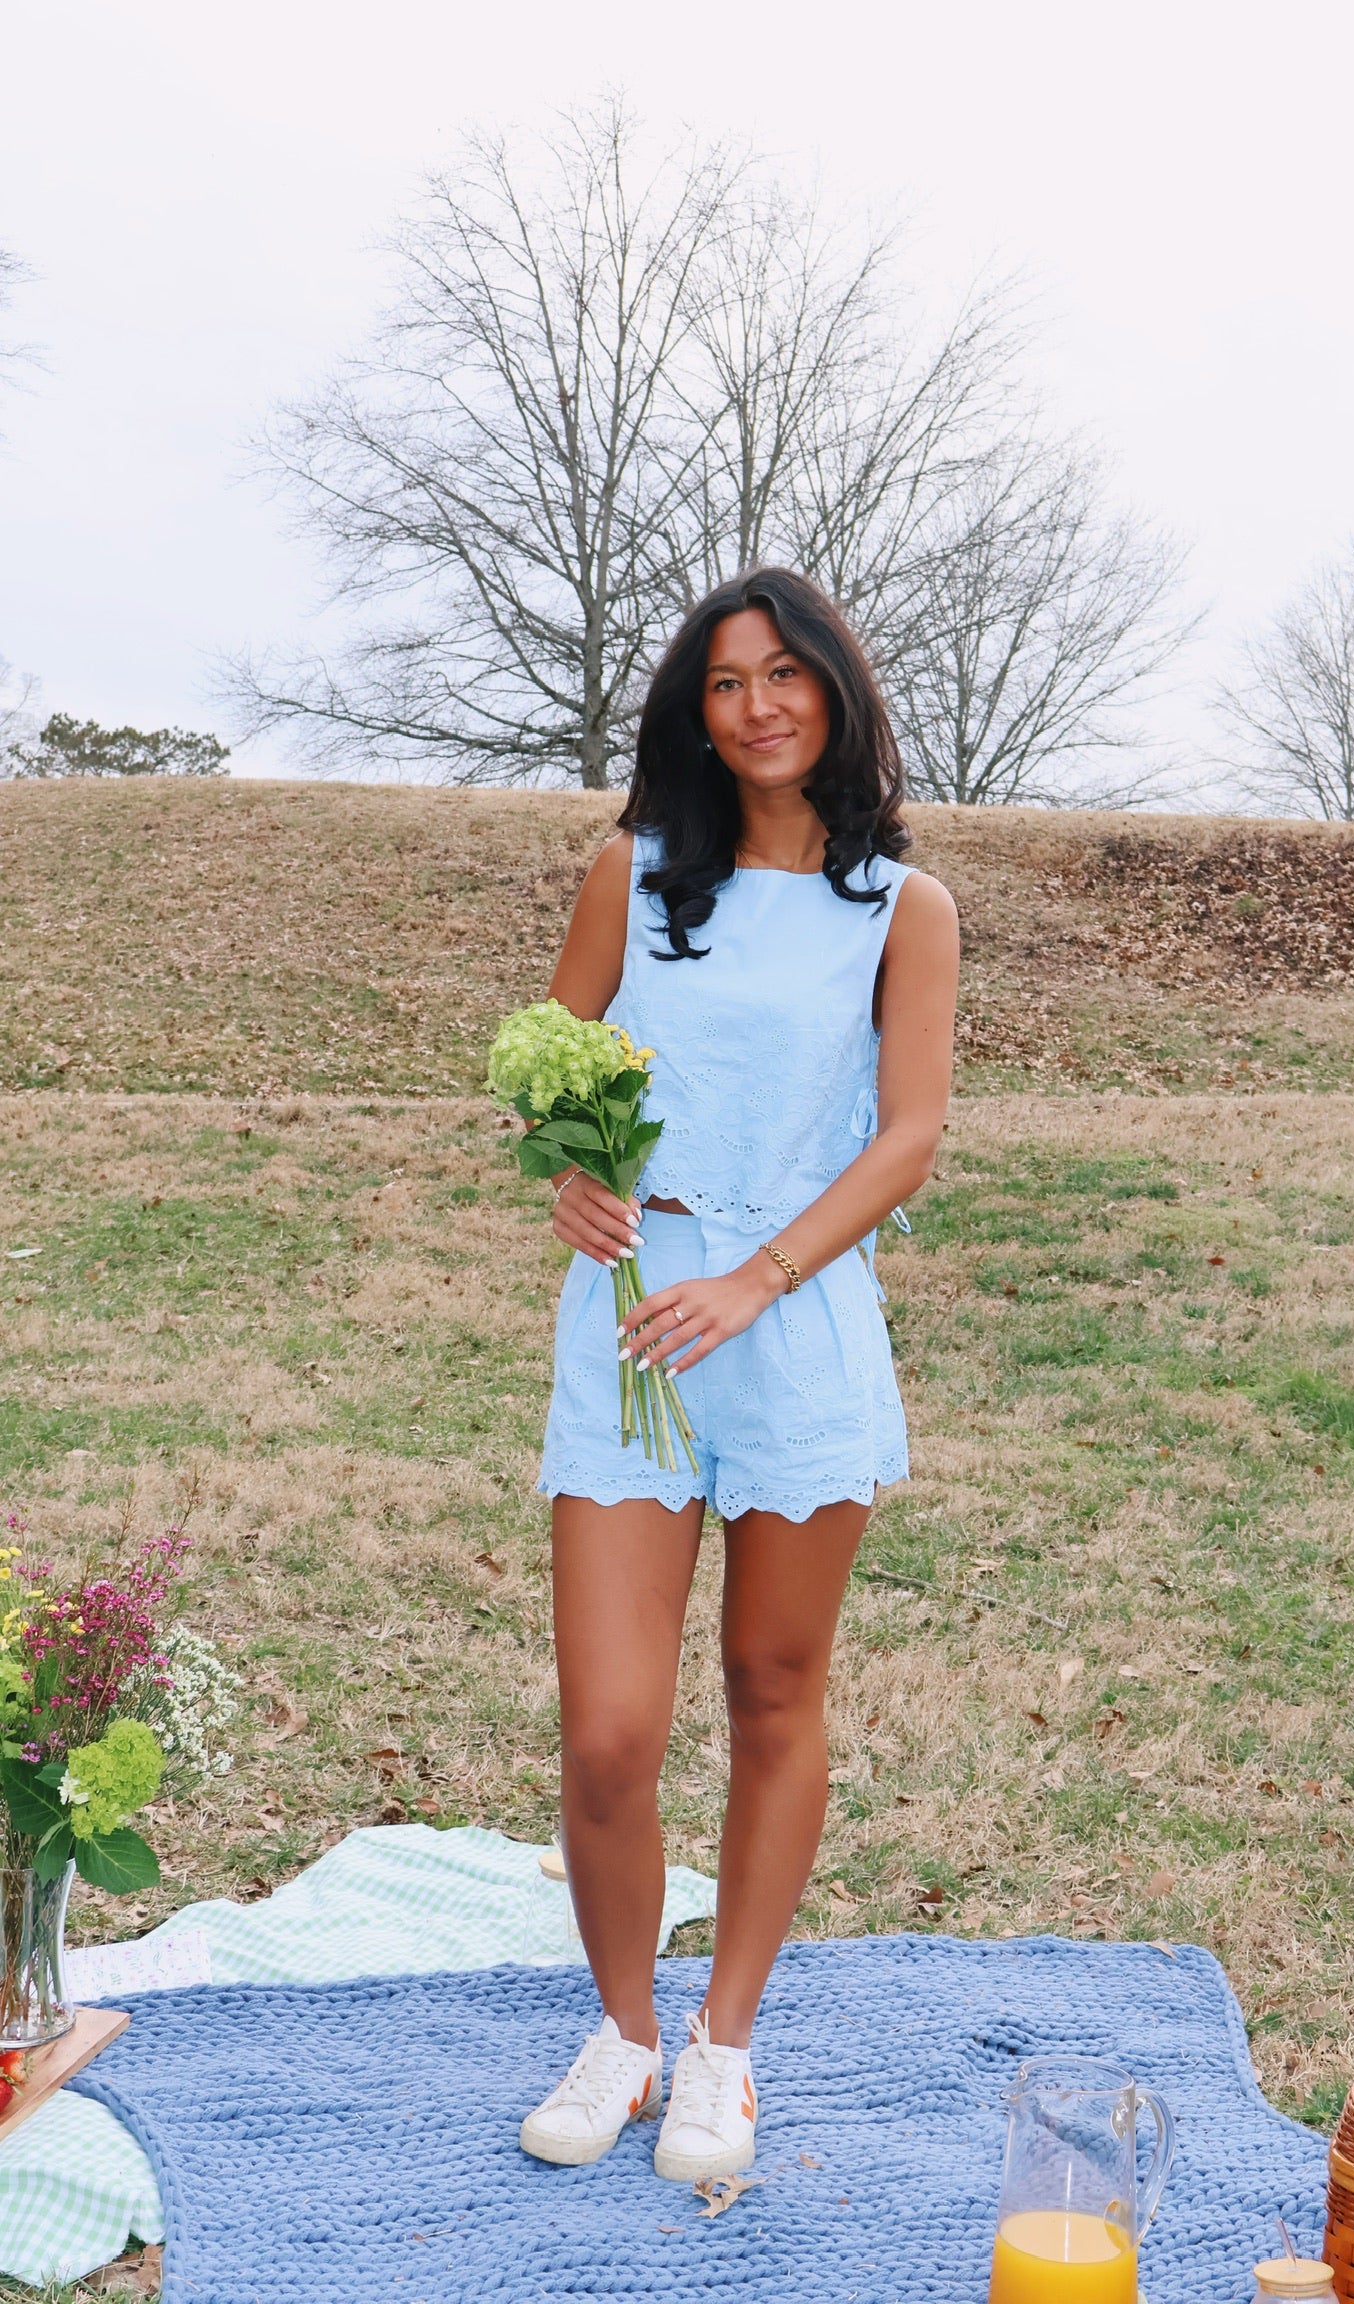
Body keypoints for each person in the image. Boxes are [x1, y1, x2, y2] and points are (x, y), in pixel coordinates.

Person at [518, 567, 959, 2183]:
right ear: (692, 712)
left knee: (774, 1690)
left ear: (835, 690)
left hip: (797, 1325)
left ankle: (722, 2048)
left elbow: (908, 1135)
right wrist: (567, 1171)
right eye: (724, 682)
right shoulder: (628, 876)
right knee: (609, 1732)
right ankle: (624, 2031)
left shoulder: (904, 909)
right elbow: (548, 1068)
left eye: (784, 674)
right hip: (635, 1322)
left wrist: (760, 1277)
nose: (757, 705)